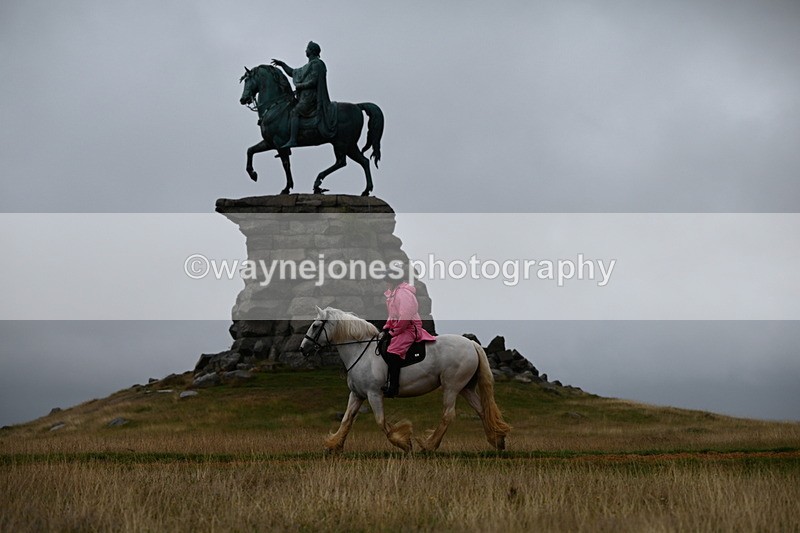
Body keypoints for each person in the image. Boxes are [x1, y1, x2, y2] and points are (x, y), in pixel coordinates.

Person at [271, 41, 337, 149]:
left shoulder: (317, 64)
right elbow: (293, 72)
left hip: (311, 98)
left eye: (307, 49)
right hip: (304, 97)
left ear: (311, 51)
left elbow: (314, 81)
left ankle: (293, 140)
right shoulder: (307, 66)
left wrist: (300, 86)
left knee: (295, 112)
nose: (305, 50)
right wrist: (282, 64)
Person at [381, 273, 436, 397]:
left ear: (394, 281)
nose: (386, 283)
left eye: (388, 280)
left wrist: (394, 331)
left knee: (392, 352)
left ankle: (393, 388)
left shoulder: (403, 294)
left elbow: (405, 316)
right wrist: (387, 327)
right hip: (400, 327)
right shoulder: (393, 294)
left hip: (409, 328)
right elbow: (393, 315)